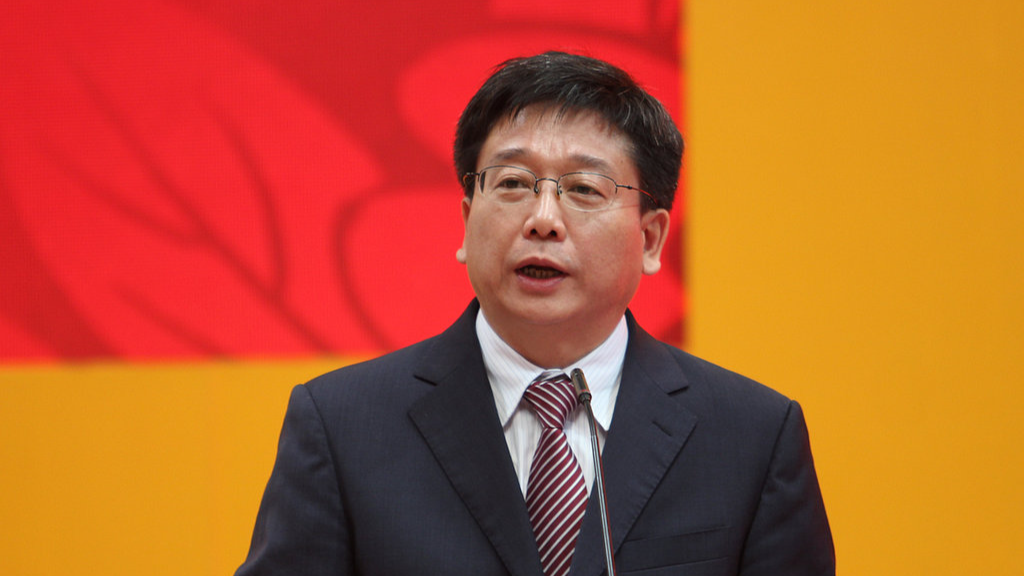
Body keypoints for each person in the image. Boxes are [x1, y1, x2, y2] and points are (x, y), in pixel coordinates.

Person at [235, 51, 835, 576]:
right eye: (513, 183)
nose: (543, 219)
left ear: (651, 239)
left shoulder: (752, 439)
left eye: (584, 189)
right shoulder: (343, 429)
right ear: (467, 220)